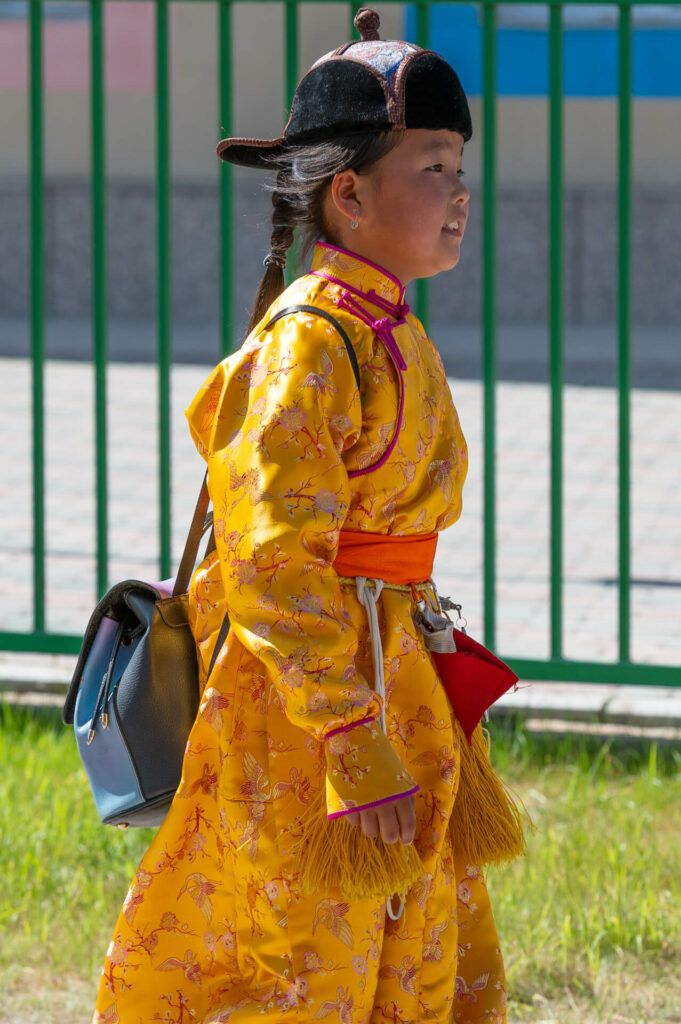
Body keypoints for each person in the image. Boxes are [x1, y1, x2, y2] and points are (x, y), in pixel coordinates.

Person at [93, 10, 525, 1023]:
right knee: (300, 942)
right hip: (308, 715)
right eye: (432, 165)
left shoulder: (389, 330)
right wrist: (347, 733)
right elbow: (278, 558)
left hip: (393, 671)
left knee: (399, 930)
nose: (460, 192)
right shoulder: (308, 348)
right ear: (350, 193)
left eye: (461, 165)